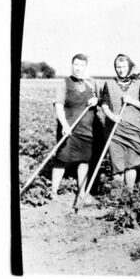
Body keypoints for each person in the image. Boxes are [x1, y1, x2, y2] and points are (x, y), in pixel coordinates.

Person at [52, 53, 99, 206]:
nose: (78, 68)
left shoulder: (91, 83)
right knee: (61, 159)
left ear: (86, 67)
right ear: (72, 65)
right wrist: (64, 125)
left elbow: (100, 100)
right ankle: (53, 193)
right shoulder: (64, 84)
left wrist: (96, 100)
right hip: (69, 128)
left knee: (84, 160)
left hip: (86, 129)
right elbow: (59, 106)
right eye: (76, 65)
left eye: (81, 65)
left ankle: (82, 192)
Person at [101, 54, 140, 190]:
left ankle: (128, 194)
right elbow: (104, 104)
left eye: (124, 67)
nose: (121, 70)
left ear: (129, 67)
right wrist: (112, 116)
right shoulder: (109, 84)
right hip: (115, 130)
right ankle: (118, 196)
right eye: (118, 67)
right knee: (117, 164)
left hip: (135, 130)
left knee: (131, 163)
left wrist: (132, 101)